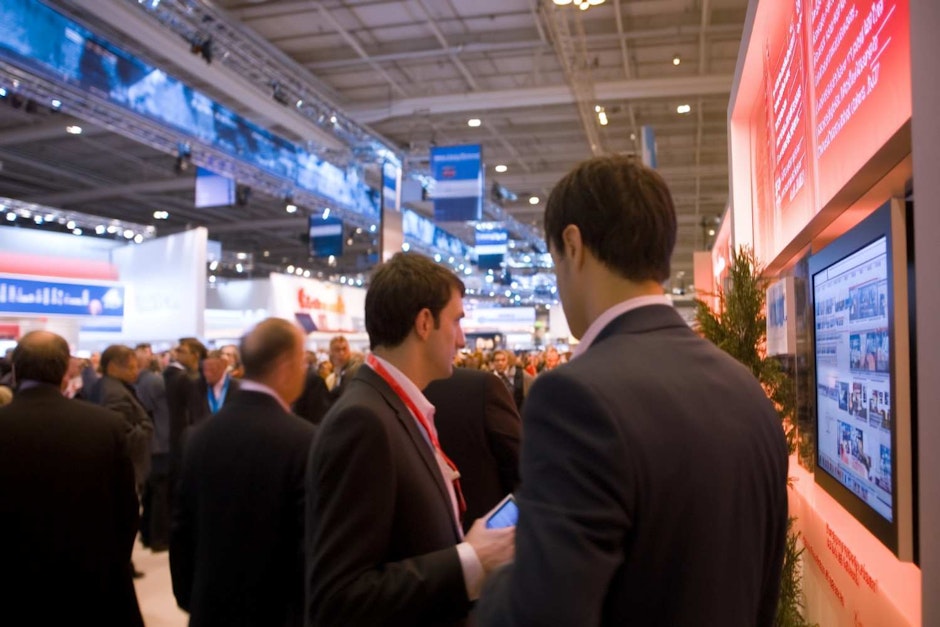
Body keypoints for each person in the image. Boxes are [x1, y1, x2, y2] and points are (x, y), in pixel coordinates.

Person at [476, 155, 789, 626]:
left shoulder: (572, 399)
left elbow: (539, 614)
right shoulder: (745, 387)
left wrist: (496, 569)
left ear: (573, 245)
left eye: (556, 261)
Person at [306, 252, 515, 626]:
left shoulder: (394, 406)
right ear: (423, 322)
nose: (463, 338)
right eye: (456, 321)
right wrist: (471, 559)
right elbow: (339, 598)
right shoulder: (363, 421)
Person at [170, 318, 315, 626]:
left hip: (210, 610)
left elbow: (182, 530)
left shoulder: (199, 436)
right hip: (278, 613)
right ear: (287, 363)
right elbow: (308, 547)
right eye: (302, 360)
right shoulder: (305, 441)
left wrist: (193, 598)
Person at [0, 331, 142, 625]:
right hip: (93, 583)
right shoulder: (105, 426)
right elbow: (127, 511)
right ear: (66, 371)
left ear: (15, 369)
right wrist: (112, 560)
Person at [424, 366, 522, 532]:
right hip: (489, 539)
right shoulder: (480, 386)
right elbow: (523, 467)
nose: (461, 341)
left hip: (480, 538)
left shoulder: (373, 396)